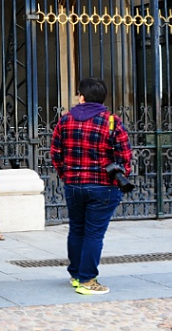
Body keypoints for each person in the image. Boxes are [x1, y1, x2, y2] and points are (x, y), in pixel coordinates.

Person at [51, 77, 132, 295]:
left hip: (74, 185)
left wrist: (66, 175)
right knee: (94, 234)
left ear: (82, 97)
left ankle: (76, 274)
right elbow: (125, 156)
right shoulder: (112, 121)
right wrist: (121, 176)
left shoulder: (65, 120)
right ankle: (87, 280)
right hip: (103, 186)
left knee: (76, 229)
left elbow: (55, 153)